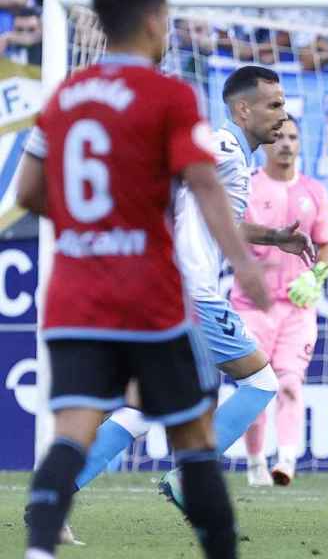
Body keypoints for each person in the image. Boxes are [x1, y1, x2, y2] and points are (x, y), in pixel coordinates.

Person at [15, 0, 271, 557]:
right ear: (155, 20)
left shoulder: (63, 97)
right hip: (150, 295)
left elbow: (28, 191)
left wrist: (93, 224)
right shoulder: (167, 97)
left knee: (73, 431)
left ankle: (38, 547)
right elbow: (205, 186)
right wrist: (242, 264)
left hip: (75, 295)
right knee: (194, 438)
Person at [70, 65, 315, 511]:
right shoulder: (221, 146)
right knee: (260, 381)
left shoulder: (232, 156)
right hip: (188, 294)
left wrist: (277, 237)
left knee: (145, 405)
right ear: (243, 109)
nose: (283, 115)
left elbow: (223, 221)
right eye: (274, 105)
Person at [235, 115, 328, 487]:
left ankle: (287, 461)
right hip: (251, 304)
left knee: (291, 383)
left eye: (293, 136)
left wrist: (316, 277)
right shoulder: (246, 187)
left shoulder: (314, 192)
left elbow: (327, 244)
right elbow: (230, 232)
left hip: (297, 309)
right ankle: (254, 463)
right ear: (265, 144)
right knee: (256, 387)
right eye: (279, 137)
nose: (286, 144)